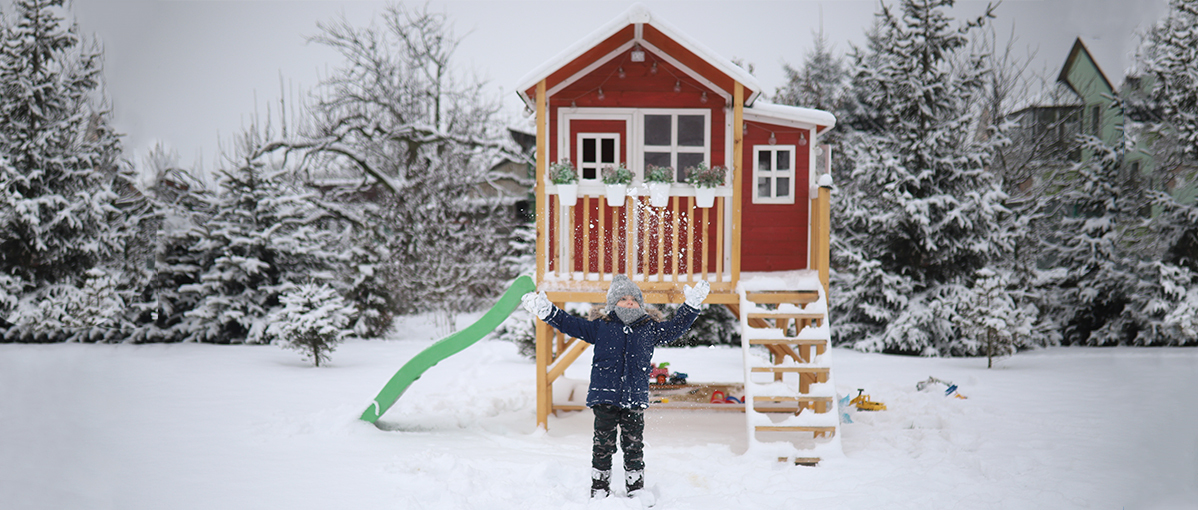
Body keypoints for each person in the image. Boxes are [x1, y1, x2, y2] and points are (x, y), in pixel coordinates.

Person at [521, 275, 710, 499]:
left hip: (634, 398)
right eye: (623, 298)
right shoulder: (601, 326)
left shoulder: (649, 329)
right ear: (612, 303)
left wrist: (691, 306)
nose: (630, 302)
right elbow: (568, 323)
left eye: (634, 299)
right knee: (603, 444)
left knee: (634, 446)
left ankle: (636, 488)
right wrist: (547, 311)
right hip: (605, 397)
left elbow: (676, 328)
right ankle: (599, 488)